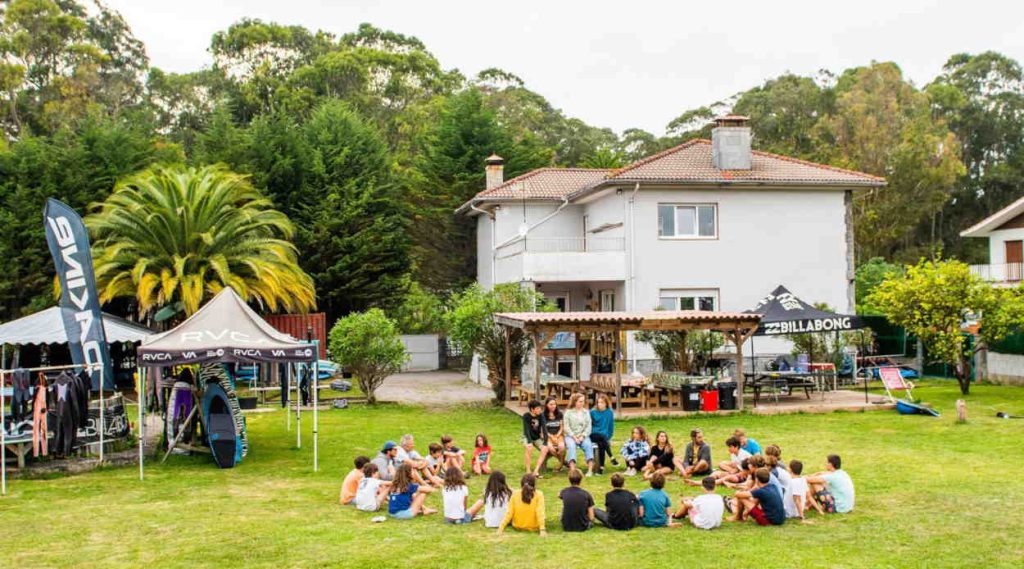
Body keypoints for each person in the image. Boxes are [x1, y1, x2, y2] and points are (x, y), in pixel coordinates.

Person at [563, 393, 596, 477]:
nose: (582, 403)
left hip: (583, 435)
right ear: (575, 402)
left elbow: (589, 426)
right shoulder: (568, 412)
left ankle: (590, 470)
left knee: (588, 445)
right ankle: (573, 471)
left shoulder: (586, 412)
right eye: (580, 401)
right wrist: (574, 437)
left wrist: (583, 436)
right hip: (570, 436)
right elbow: (566, 427)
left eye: (583, 401)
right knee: (571, 446)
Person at [535, 398, 566, 476]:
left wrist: (558, 435)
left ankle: (560, 465)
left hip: (558, 435)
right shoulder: (543, 415)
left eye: (554, 404)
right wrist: (551, 436)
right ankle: (563, 462)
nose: (553, 406)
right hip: (547, 435)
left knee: (562, 447)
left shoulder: (559, 414)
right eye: (551, 404)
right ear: (546, 405)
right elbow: (543, 429)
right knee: (550, 448)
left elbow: (561, 427)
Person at [589, 394, 618, 473]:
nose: (599, 404)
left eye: (602, 402)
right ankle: (611, 457)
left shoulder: (609, 412)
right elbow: (589, 425)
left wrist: (609, 436)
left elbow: (610, 426)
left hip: (604, 436)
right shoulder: (592, 412)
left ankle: (601, 467)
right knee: (601, 438)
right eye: (598, 402)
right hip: (593, 434)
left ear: (606, 403)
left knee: (601, 445)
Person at [522, 400, 547, 473]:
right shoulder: (526, 416)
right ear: (532, 409)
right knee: (529, 448)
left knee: (545, 449)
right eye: (537, 408)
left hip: (537, 437)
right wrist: (529, 442)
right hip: (527, 436)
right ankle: (528, 470)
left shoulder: (541, 415)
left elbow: (544, 428)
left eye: (540, 408)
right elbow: (526, 430)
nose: (540, 410)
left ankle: (536, 470)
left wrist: (545, 442)